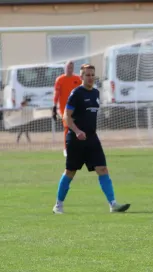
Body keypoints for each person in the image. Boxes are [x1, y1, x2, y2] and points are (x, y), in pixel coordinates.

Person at [52, 64, 130, 214]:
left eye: (92, 74)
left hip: (92, 138)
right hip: (75, 139)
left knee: (103, 169)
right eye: (87, 75)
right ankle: (58, 205)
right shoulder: (76, 93)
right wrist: (77, 131)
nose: (90, 77)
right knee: (70, 172)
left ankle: (113, 204)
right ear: (81, 77)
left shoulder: (95, 93)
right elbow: (66, 116)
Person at [53, 61, 83, 157]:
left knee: (78, 126)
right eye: (68, 67)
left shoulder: (77, 79)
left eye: (71, 67)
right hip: (64, 108)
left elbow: (82, 92)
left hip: (76, 107)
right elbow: (56, 94)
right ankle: (66, 148)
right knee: (67, 126)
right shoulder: (60, 80)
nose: (69, 69)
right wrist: (54, 106)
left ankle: (78, 148)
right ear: (65, 68)